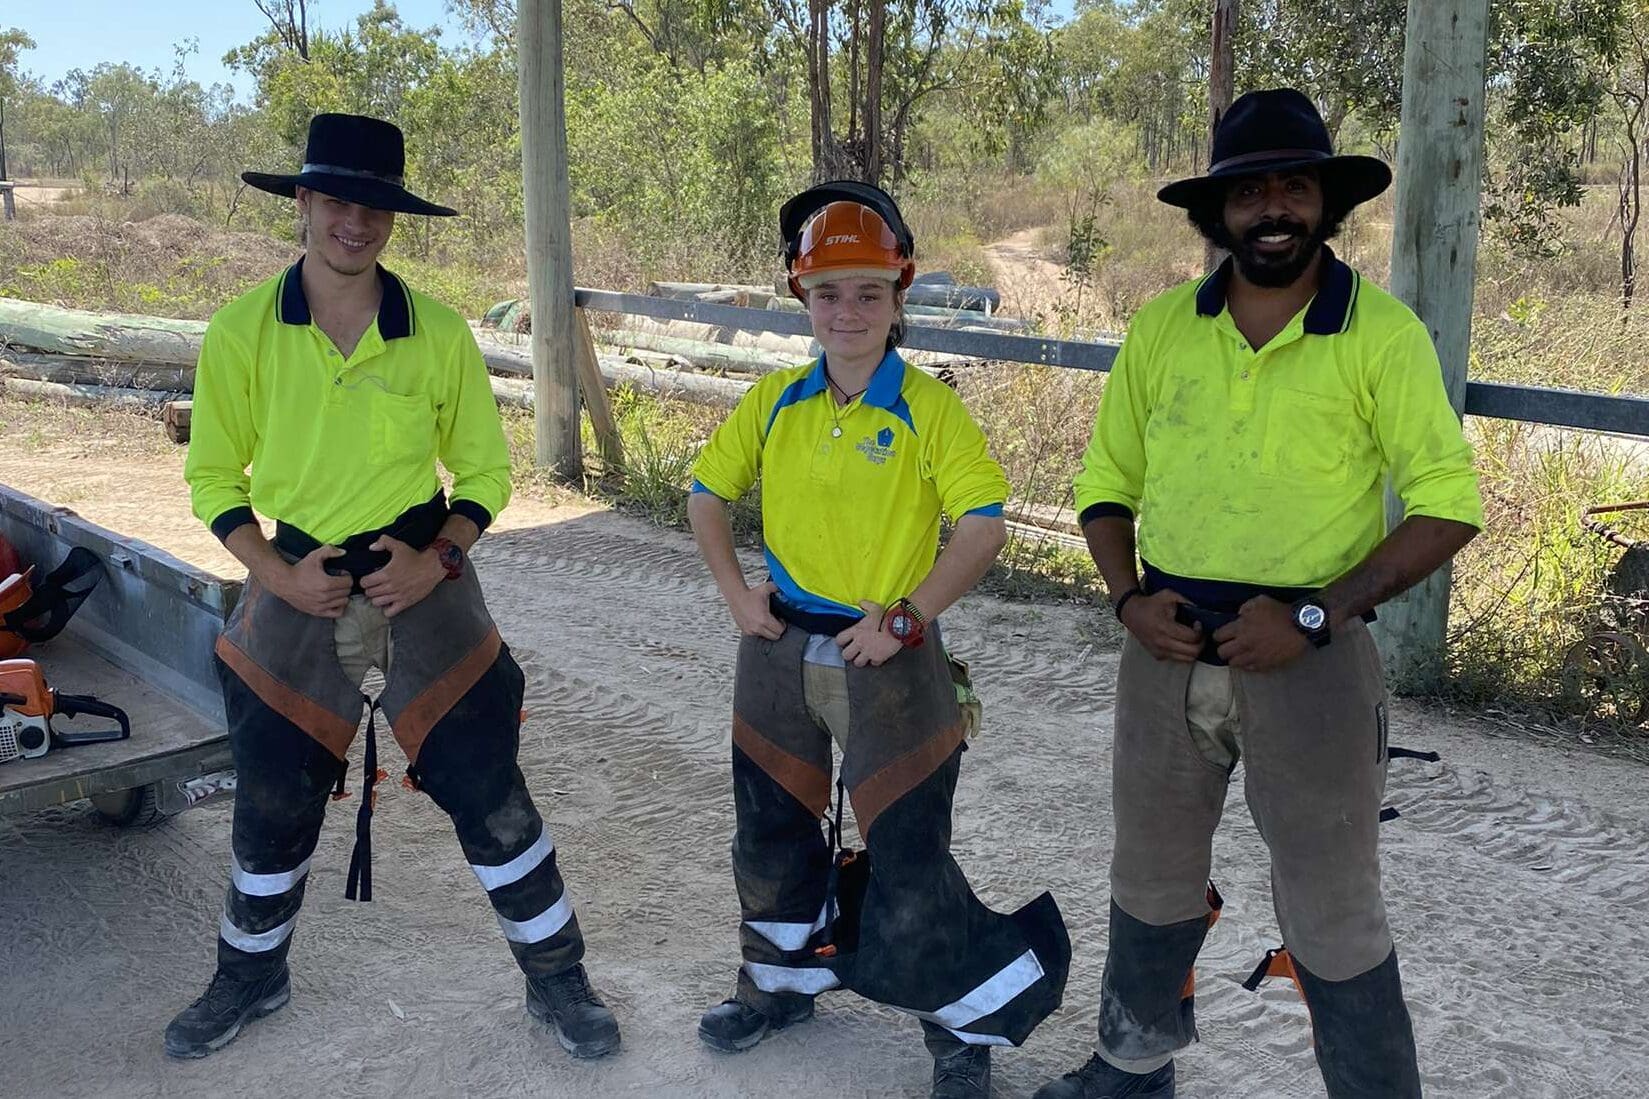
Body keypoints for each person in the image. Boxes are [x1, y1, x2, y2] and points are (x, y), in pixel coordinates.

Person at [1036, 88, 1484, 1099]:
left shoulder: (1378, 334)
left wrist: (1316, 616)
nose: (1270, 207)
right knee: (1147, 879)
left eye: (1292, 185)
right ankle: (1132, 1063)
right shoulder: (1161, 331)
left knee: (1332, 906)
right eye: (1247, 189)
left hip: (1310, 658)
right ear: (1216, 211)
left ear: (1325, 203)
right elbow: (1104, 483)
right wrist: (1123, 599)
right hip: (1163, 646)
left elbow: (1447, 503)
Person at [168, 113, 620, 1062]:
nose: (353, 222)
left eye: (372, 205)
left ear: (391, 218)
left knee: (491, 789)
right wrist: (279, 575)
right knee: (270, 798)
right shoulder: (242, 331)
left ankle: (559, 979)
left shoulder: (440, 333)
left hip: (422, 579)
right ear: (302, 202)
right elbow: (214, 479)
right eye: (334, 198)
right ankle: (249, 975)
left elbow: (487, 475)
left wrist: (441, 558)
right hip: (296, 584)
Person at [686, 180, 1071, 1099]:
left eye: (867, 292)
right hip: (780, 648)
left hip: (892, 660)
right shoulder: (776, 400)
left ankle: (957, 1026)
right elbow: (706, 493)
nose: (846, 311)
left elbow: (982, 524)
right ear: (800, 298)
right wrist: (738, 595)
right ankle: (777, 987)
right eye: (827, 293)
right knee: (769, 826)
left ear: (900, 297)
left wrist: (906, 619)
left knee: (908, 842)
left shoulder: (928, 408)